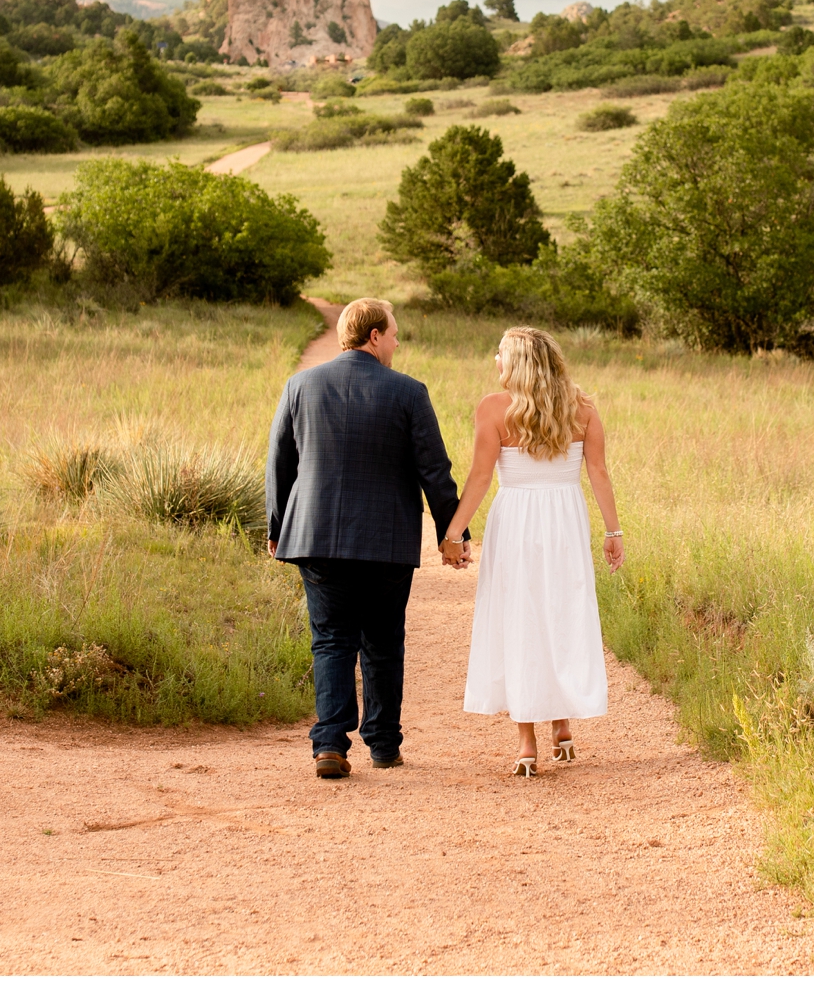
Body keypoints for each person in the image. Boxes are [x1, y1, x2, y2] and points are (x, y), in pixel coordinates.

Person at [264, 297, 465, 780]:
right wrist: (450, 533)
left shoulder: (300, 385)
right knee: (383, 640)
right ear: (374, 336)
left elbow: (279, 465)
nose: (396, 343)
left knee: (331, 640)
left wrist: (277, 529)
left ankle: (330, 744)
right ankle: (382, 744)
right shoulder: (409, 392)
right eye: (394, 334)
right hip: (387, 540)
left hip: (317, 536)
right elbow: (434, 470)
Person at [444, 325, 623, 776]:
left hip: (517, 522)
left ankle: (527, 744)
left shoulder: (493, 408)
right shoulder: (582, 409)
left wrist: (453, 533)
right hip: (565, 519)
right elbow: (598, 472)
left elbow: (481, 477)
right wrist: (612, 531)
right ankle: (561, 726)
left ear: (518, 362)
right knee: (560, 614)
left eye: (500, 354)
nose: (495, 361)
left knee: (519, 617)